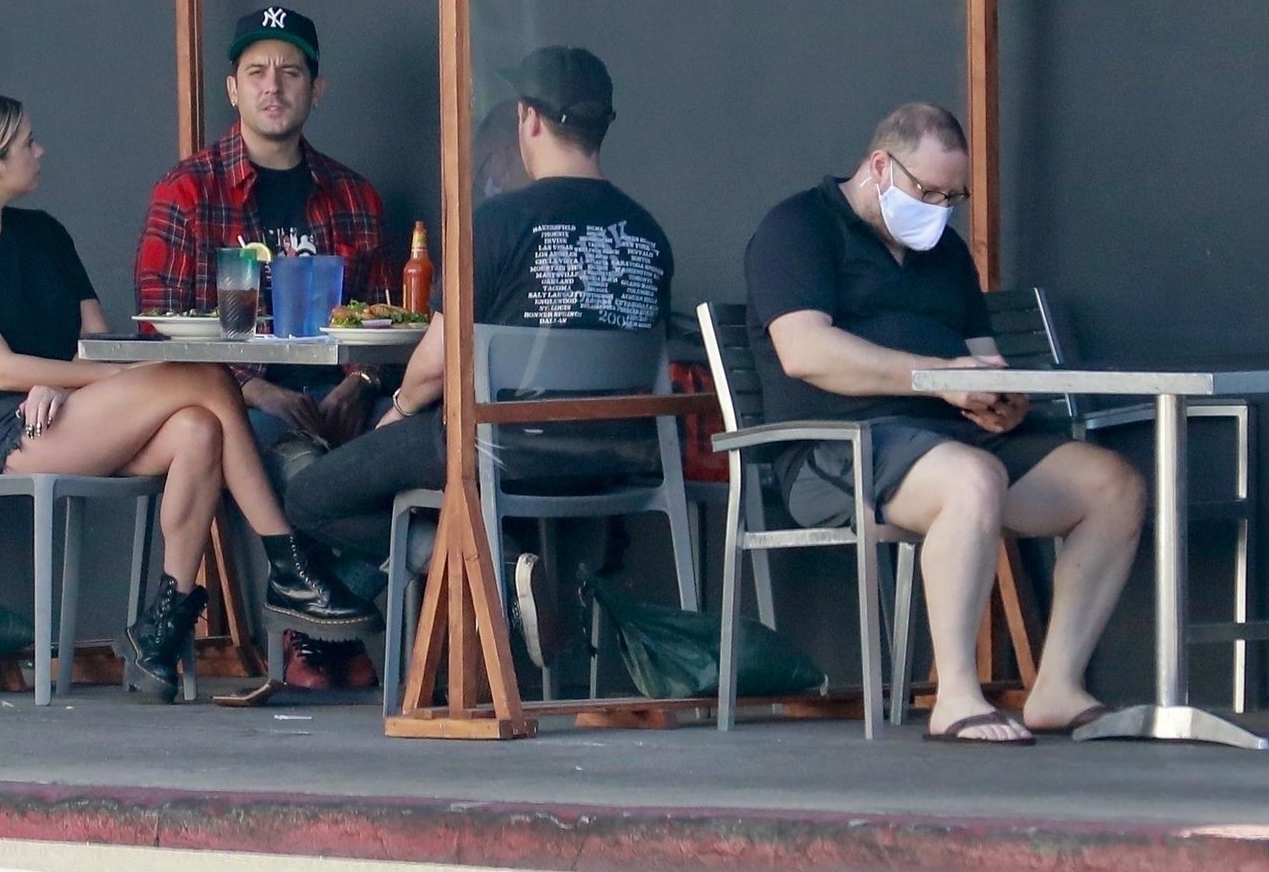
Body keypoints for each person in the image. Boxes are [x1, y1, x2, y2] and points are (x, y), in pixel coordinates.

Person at [0, 93, 373, 703]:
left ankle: (160, 632)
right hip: (16, 430)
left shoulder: (44, 234)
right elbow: (0, 369)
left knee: (200, 427)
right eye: (27, 144)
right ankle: (287, 563)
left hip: (76, 407)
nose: (39, 152)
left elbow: (98, 339)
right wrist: (69, 381)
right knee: (206, 376)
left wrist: (66, 380)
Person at [745, 101, 1144, 744]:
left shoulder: (944, 251)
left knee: (1112, 485)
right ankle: (956, 694)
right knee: (971, 478)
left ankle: (1058, 687)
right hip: (838, 450)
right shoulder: (798, 228)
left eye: (952, 198)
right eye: (928, 192)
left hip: (957, 436)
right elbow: (805, 352)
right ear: (880, 165)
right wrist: (939, 375)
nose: (938, 209)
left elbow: (981, 357)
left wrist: (999, 397)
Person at [284, 46, 673, 668]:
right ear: (604, 126)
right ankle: (508, 572)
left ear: (528, 119)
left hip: (505, 448)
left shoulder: (495, 223)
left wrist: (399, 409)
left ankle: (499, 565)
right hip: (619, 456)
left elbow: (437, 365)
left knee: (309, 498)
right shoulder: (649, 232)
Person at [134, 5, 393, 685]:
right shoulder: (189, 189)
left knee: (421, 460)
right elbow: (156, 323)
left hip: (340, 396)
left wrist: (359, 384)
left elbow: (386, 318)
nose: (272, 85)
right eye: (256, 72)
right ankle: (319, 638)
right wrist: (252, 386)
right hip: (238, 406)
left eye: (290, 71)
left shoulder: (354, 195)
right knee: (307, 470)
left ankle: (329, 627)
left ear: (316, 88)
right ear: (233, 89)